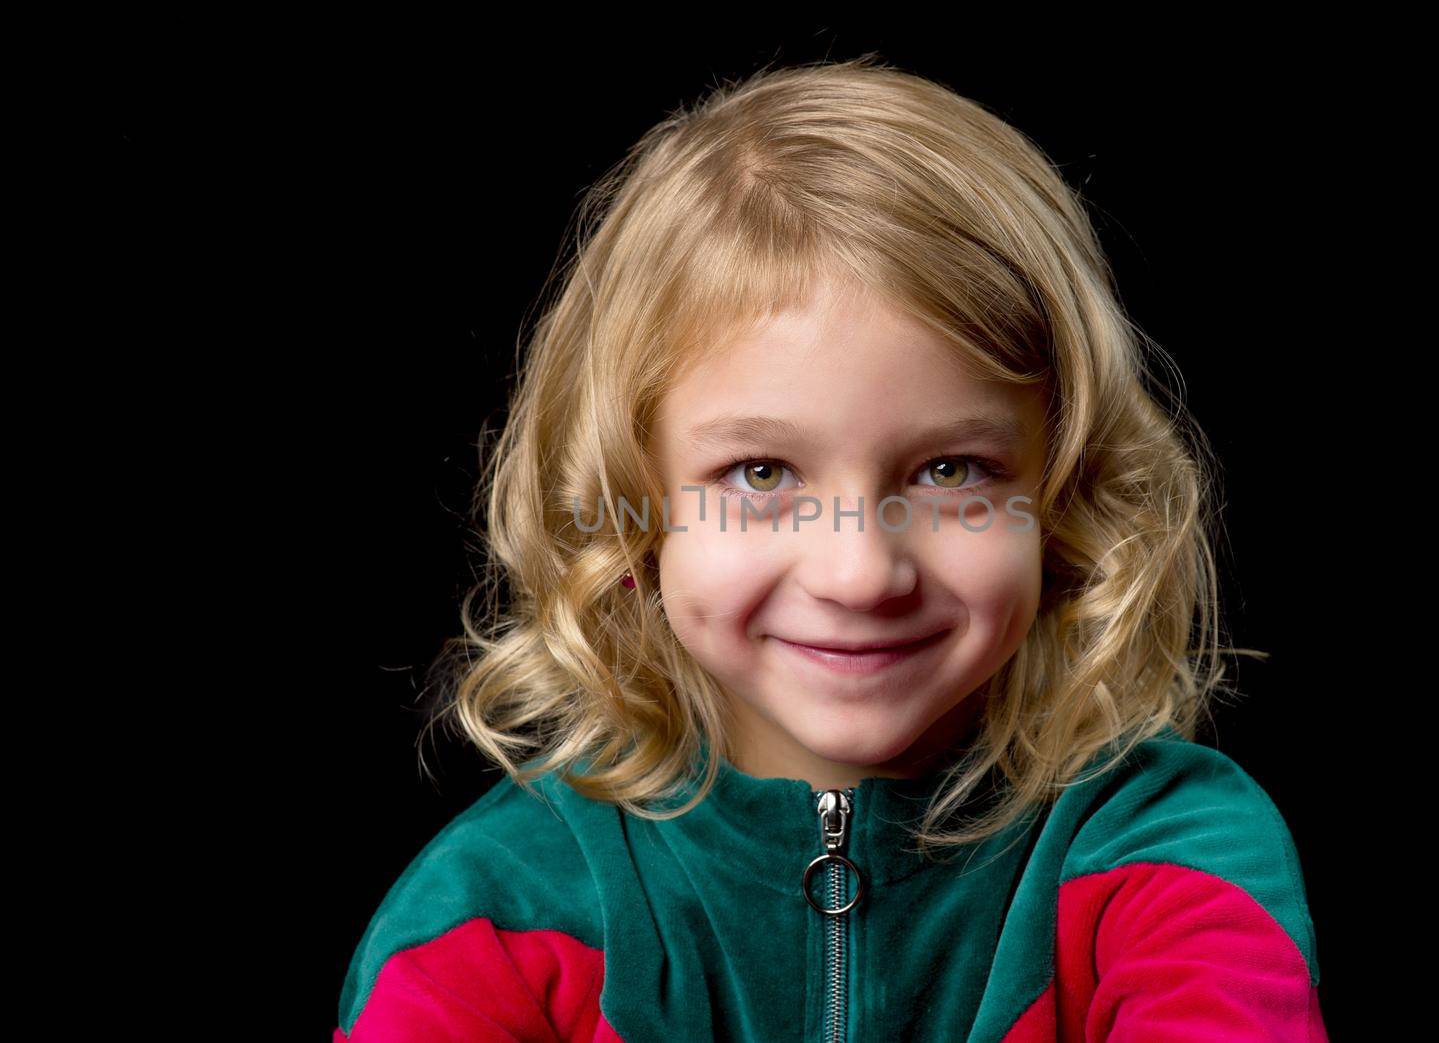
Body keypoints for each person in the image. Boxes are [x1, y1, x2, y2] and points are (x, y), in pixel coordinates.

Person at [333, 54, 1327, 1042]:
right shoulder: (491, 916)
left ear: (1062, 493)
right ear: (635, 507)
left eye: (950, 470)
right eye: (760, 473)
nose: (859, 573)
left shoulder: (1165, 856)